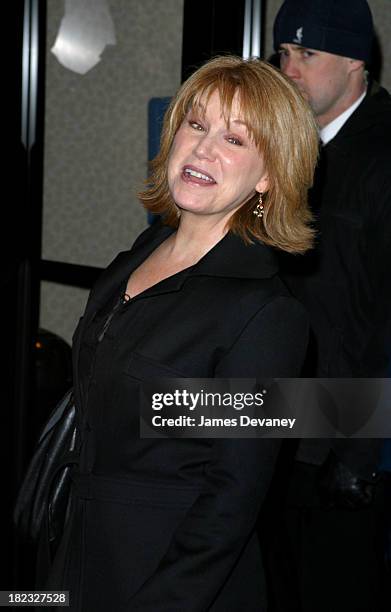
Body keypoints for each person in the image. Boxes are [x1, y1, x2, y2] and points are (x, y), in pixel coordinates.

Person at [40, 55, 319, 611]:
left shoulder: (264, 313)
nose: (204, 148)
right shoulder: (136, 257)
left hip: (167, 585)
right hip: (76, 559)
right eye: (196, 124)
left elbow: (229, 506)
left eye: (236, 140)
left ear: (269, 175)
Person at [264, 1, 391, 611]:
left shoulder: (384, 157)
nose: (288, 68)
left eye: (306, 53)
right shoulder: (281, 146)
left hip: (348, 432)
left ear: (355, 62)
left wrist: (361, 451)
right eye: (283, 52)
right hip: (270, 422)